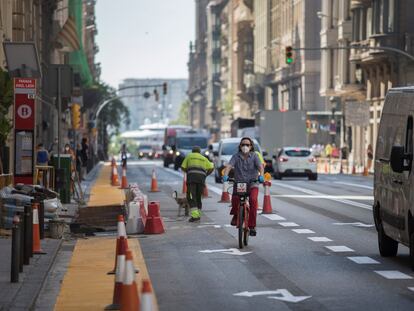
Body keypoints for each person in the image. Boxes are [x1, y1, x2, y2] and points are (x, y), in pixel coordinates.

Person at [222, 137, 264, 236]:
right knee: (235, 198)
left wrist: (261, 175)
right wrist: (226, 175)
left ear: (251, 146)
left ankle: (252, 226)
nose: (245, 146)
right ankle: (236, 215)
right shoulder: (236, 156)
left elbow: (260, 167)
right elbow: (229, 166)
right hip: (239, 183)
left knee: (253, 200)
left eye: (247, 145)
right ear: (240, 146)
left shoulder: (254, 156)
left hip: (252, 183)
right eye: (243, 144)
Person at [181, 146, 214, 222]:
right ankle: (198, 215)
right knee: (198, 197)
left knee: (191, 196)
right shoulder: (203, 158)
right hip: (201, 180)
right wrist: (205, 175)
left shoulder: (189, 156)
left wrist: (188, 171)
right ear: (199, 152)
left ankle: (195, 216)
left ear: (192, 151)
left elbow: (183, 167)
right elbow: (211, 167)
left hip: (192, 179)